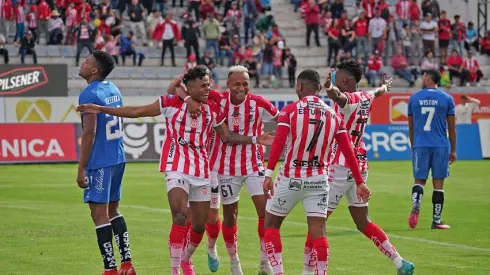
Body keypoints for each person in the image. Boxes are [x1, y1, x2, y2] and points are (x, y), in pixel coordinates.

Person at [77, 65, 275, 275]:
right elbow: (136, 111)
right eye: (203, 86)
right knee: (180, 215)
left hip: (202, 170)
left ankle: (186, 259)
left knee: (199, 226)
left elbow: (227, 137)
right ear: (189, 88)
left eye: (208, 85)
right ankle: (174, 271)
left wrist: (255, 139)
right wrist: (101, 109)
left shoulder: (214, 108)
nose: (208, 89)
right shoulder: (170, 103)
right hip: (176, 166)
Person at [304, 60, 416, 275]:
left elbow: (339, 97)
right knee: (363, 221)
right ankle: (399, 262)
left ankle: (312, 272)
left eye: (337, 77)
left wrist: (328, 87)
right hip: (359, 167)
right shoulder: (366, 96)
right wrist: (385, 87)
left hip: (338, 167)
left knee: (317, 222)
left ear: (345, 80)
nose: (335, 80)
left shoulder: (350, 100)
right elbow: (378, 92)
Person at [262, 69, 371, 275]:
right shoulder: (333, 114)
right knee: (318, 231)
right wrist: (359, 181)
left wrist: (268, 174)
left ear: (300, 86)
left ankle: (278, 273)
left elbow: (278, 143)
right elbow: (348, 150)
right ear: (319, 88)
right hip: (319, 180)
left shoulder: (290, 111)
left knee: (271, 224)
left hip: (291, 178)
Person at [184, 66, 279, 275]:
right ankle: (232, 260)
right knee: (228, 217)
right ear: (228, 84)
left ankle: (265, 262)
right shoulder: (217, 98)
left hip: (253, 164)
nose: (241, 88)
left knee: (266, 212)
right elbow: (186, 90)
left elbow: (283, 119)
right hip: (224, 168)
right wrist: (188, 99)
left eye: (245, 83)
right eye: (236, 83)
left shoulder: (258, 102)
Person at [76, 51, 136, 275]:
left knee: (98, 213)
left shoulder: (88, 94)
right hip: (118, 157)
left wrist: (81, 167)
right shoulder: (113, 88)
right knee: (113, 210)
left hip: (100, 161)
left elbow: (89, 133)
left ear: (94, 70)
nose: (82, 64)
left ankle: (110, 268)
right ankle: (127, 264)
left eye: (87, 62)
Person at [407, 69, 457, 230]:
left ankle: (416, 205)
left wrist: (414, 146)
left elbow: (411, 126)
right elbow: (452, 127)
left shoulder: (414, 98)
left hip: (420, 144)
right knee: (438, 183)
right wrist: (453, 150)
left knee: (419, 180)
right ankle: (436, 220)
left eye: (423, 76)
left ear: (428, 79)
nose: (422, 78)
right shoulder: (447, 99)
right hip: (440, 145)